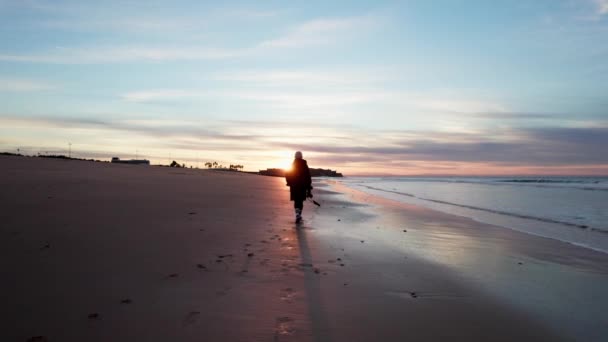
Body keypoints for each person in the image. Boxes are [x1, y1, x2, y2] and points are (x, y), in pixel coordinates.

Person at [285, 151, 313, 223]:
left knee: (296, 201)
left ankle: (297, 214)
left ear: (295, 156)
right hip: (302, 186)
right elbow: (308, 177)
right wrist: (309, 187)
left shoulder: (293, 164)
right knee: (300, 201)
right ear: (301, 156)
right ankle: (299, 215)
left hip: (294, 186)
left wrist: (289, 182)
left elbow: (287, 174)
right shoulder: (304, 164)